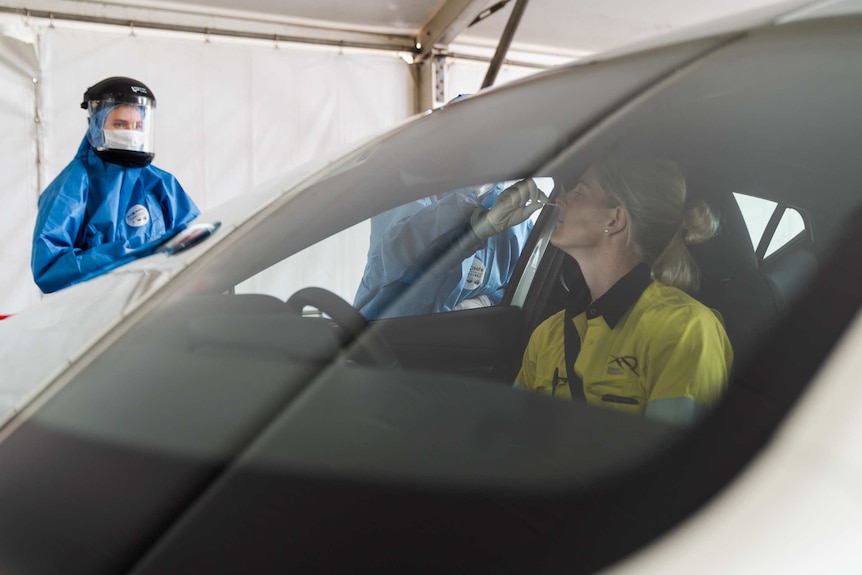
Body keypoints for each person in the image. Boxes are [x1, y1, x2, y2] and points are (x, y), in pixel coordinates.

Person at [516, 156, 733, 426]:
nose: (561, 200)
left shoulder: (684, 330)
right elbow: (511, 437)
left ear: (615, 218)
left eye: (580, 192)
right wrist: (482, 227)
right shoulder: (548, 334)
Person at [31, 76, 200, 294]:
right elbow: (49, 268)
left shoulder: (162, 184)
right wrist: (125, 253)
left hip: (155, 310)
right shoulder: (72, 186)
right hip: (95, 317)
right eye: (120, 124)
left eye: (137, 126)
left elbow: (197, 245)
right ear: (97, 124)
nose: (131, 132)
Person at [354, 179, 547, 319]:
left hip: (451, 350)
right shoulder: (411, 190)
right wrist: (475, 224)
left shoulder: (517, 225)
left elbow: (518, 292)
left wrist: (483, 305)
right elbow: (403, 259)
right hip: (384, 340)